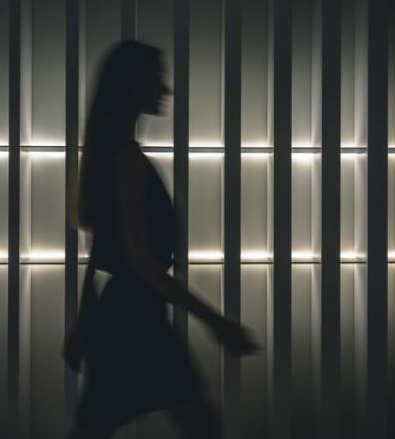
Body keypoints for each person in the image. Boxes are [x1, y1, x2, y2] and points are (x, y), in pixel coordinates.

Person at [62, 40, 261, 439]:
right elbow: (140, 263)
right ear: (132, 84)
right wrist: (216, 322)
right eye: (158, 78)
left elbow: (104, 253)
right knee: (205, 430)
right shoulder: (126, 159)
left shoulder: (107, 153)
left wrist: (84, 320)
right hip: (136, 325)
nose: (165, 90)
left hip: (123, 319)